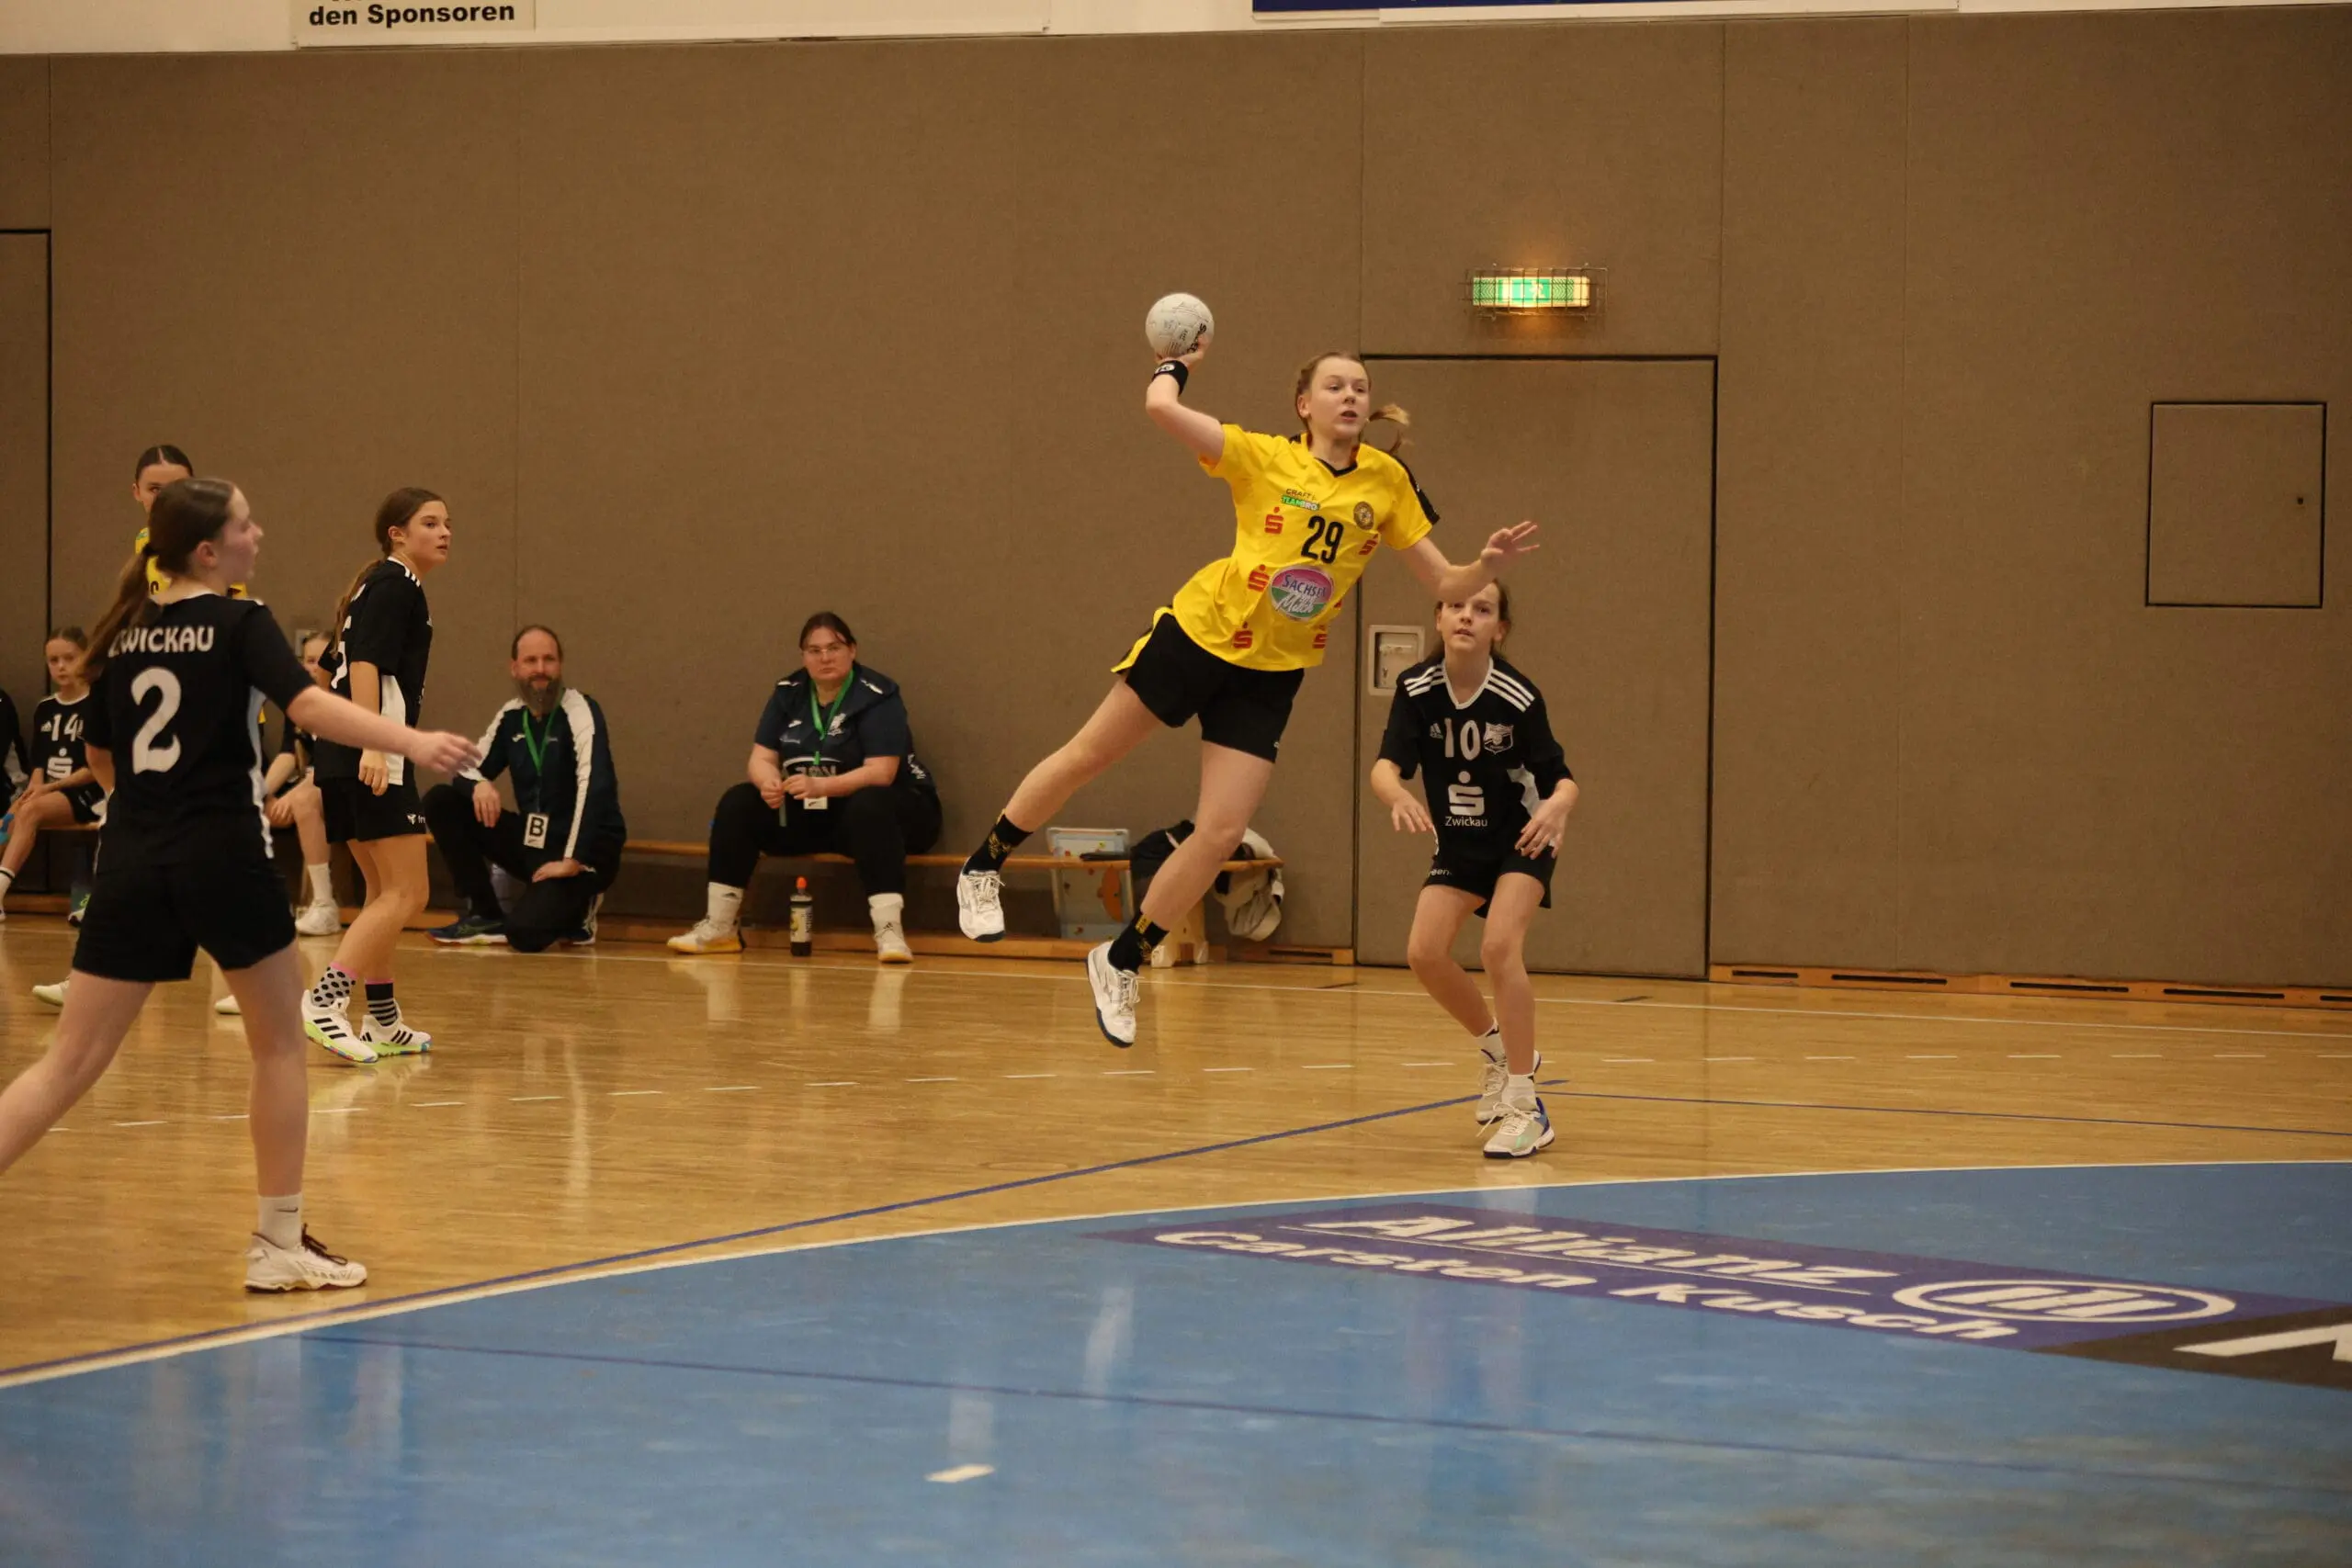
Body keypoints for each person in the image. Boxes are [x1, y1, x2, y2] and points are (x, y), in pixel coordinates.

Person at [954, 338, 1538, 1044]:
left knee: (1223, 831)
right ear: (1304, 404)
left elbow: (1444, 581)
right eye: (1335, 386)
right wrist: (1176, 363)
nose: (1351, 396)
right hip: (1200, 635)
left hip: (1273, 670)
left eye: (1360, 387)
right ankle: (984, 864)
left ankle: (1121, 958)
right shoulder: (1263, 456)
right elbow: (1160, 407)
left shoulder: (1386, 480)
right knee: (1089, 755)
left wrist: (1485, 564)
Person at [0, 477, 477, 1290]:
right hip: (222, 854)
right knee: (279, 1044)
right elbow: (312, 709)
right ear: (207, 549)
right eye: (245, 525)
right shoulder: (240, 621)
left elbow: (103, 754)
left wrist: (138, 810)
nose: (258, 535)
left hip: (132, 860)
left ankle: (282, 1242)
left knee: (68, 1062)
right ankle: (278, 1241)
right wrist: (411, 741)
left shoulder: (123, 632)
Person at [1371, 582, 1577, 1158]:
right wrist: (1397, 796)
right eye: (1456, 606)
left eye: (1482, 609)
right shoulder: (1416, 689)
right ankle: (1497, 1049)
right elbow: (1385, 767)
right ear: (1438, 618)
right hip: (1460, 843)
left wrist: (1558, 808)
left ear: (1499, 629)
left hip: (1522, 838)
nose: (1467, 616)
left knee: (1498, 947)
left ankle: (1526, 1105)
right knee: (1424, 952)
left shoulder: (1517, 696)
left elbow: (1562, 781)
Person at [669, 612, 941, 964]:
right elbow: (761, 757)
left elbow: (881, 772)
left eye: (834, 648)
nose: (825, 657)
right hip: (822, 811)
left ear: (852, 650)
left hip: (897, 814)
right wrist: (768, 781)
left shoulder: (878, 694)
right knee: (739, 802)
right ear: (803, 656)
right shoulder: (789, 692)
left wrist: (821, 785)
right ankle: (720, 927)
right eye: (814, 650)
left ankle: (889, 932)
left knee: (870, 805)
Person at [302, 488, 450, 1064]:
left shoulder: (374, 585)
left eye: (447, 523)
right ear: (397, 533)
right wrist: (371, 741)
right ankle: (323, 1001)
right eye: (430, 523)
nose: (444, 532)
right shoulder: (396, 584)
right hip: (371, 755)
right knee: (411, 893)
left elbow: (324, 673)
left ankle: (383, 1019)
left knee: (382, 893)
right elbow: (364, 663)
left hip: (340, 755)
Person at [424, 625, 627, 953]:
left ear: (560, 665)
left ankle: (582, 905)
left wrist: (573, 859)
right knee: (442, 801)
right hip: (537, 842)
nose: (540, 669)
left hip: (586, 851)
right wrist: (479, 784)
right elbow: (464, 767)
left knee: (524, 935)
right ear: (514, 667)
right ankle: (484, 914)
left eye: (549, 660)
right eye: (531, 661)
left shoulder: (581, 710)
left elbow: (597, 785)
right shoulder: (511, 716)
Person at [209, 633, 345, 1019]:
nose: (312, 667)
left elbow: (336, 761)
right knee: (240, 808)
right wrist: (259, 793)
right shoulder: (296, 702)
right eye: (307, 660)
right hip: (310, 785)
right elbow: (289, 754)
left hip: (345, 783)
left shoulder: (343, 697)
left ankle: (324, 904)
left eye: (320, 659)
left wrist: (297, 793)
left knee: (302, 800)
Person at [0, 629, 106, 921]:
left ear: (86, 657)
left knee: (31, 810)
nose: (61, 667)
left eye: (69, 658)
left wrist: (47, 790)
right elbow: (39, 766)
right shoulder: (45, 708)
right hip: (48, 794)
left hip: (88, 793)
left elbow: (96, 768)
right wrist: (32, 791)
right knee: (7, 820)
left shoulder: (98, 703)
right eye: (53, 660)